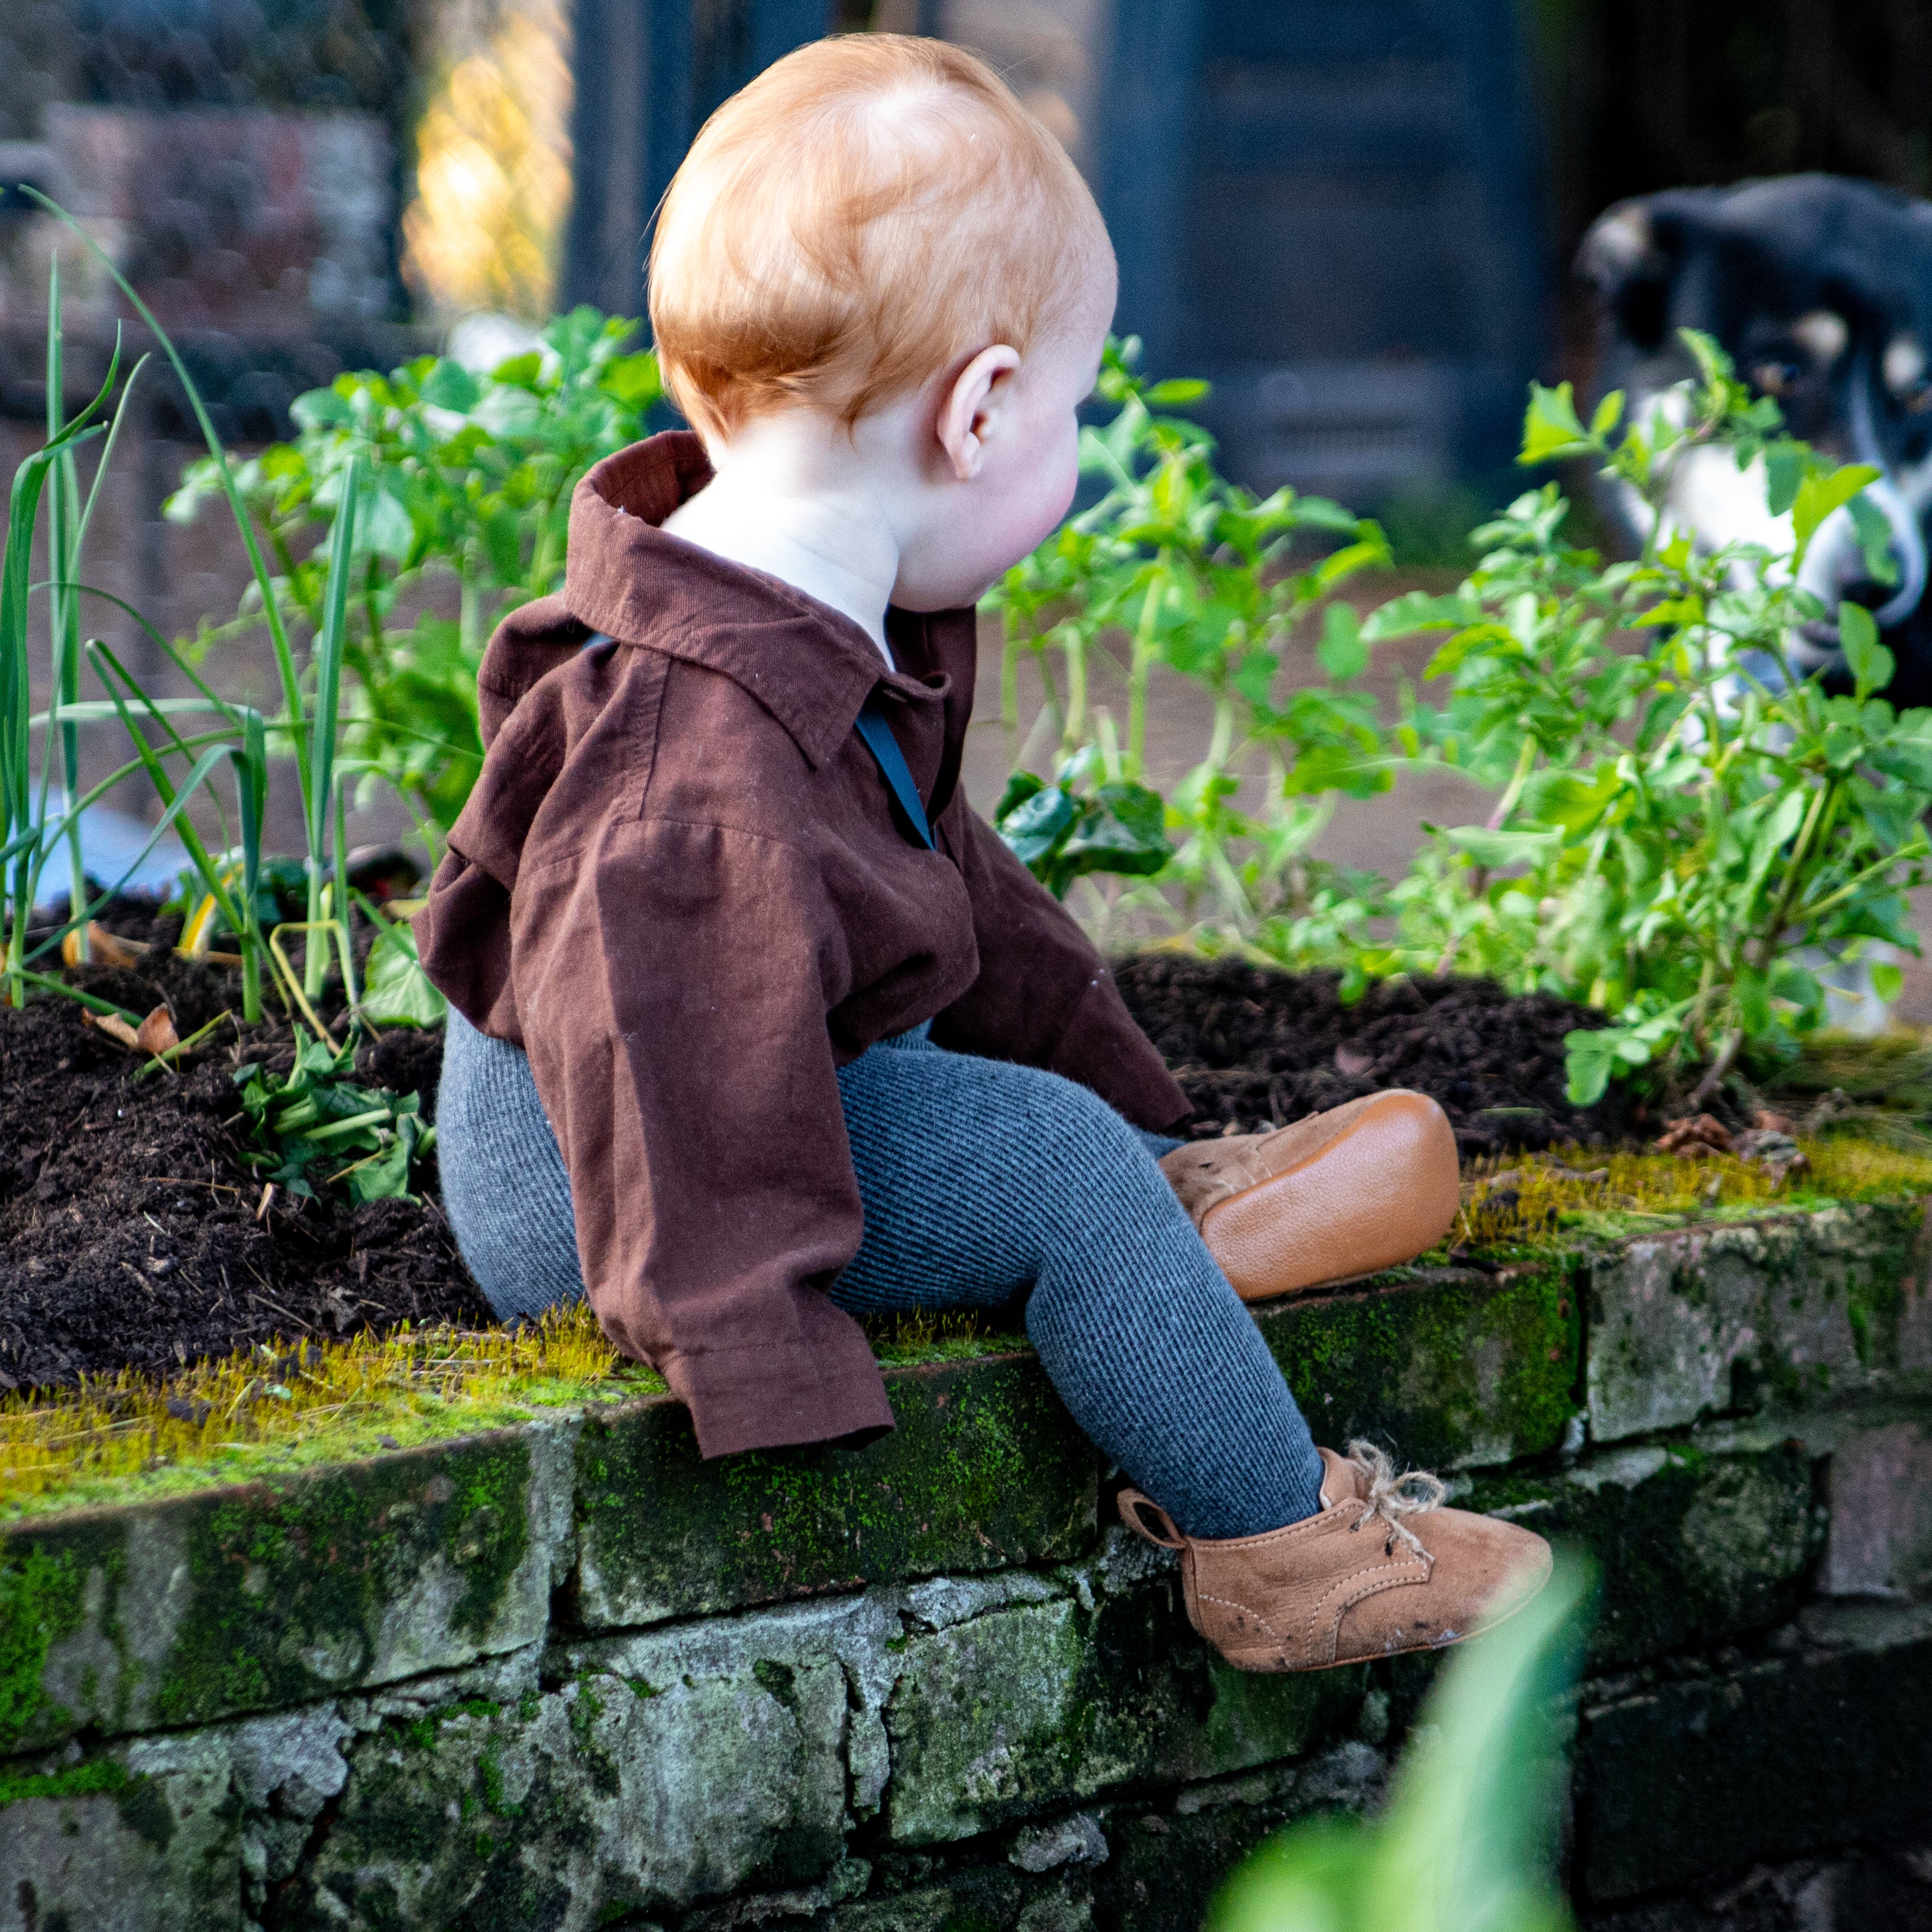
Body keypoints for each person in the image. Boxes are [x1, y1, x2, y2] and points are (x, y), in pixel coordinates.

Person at [414, 33, 1550, 1673]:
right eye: (1072, 410)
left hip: (745, 1072)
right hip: (612, 1184)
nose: (1067, 444)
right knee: (1046, 1171)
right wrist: (749, 1340)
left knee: (1069, 1142)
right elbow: (653, 1043)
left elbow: (959, 898)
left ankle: (1161, 1225)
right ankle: (1285, 1550)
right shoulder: (692, 755)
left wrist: (1133, 1099)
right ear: (982, 407)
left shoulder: (815, 621)